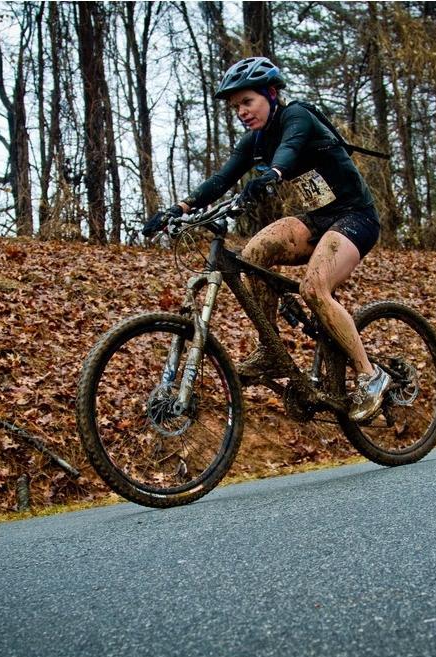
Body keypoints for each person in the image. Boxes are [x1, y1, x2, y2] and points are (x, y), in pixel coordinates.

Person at [143, 56, 389, 422]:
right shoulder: (254, 140)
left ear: (271, 94)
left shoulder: (297, 116)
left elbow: (289, 150)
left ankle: (371, 376)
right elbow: (221, 179)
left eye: (247, 101)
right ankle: (271, 349)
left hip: (356, 218)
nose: (241, 111)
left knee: (313, 288)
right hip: (318, 220)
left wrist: (273, 173)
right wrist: (178, 209)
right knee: (254, 253)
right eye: (235, 106)